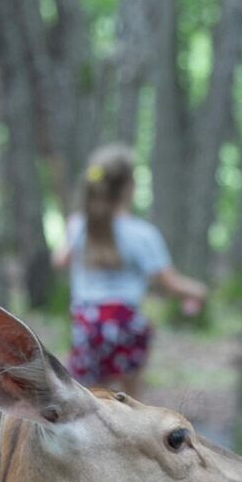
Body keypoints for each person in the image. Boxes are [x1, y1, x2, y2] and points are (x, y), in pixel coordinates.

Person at [51, 144, 208, 397]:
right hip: (126, 325)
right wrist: (198, 292)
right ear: (128, 187)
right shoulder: (142, 234)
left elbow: (59, 261)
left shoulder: (78, 225)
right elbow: (169, 283)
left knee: (88, 399)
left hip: (88, 325)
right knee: (131, 400)